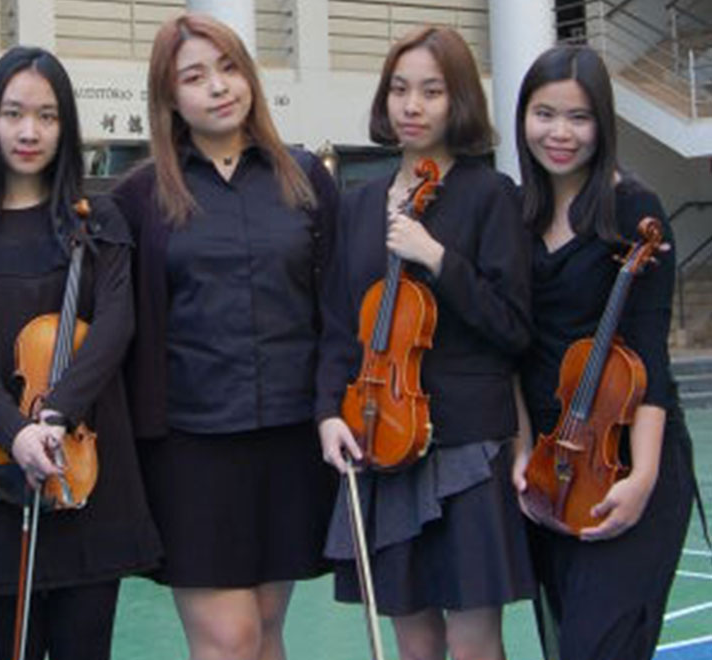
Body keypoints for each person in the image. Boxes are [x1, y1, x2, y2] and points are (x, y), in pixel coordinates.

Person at [111, 13, 338, 660]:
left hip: (291, 437)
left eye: (229, 68)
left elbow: (336, 307)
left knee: (265, 629)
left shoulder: (304, 177)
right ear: (169, 96)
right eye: (194, 76)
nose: (218, 87)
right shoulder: (139, 195)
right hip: (190, 448)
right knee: (229, 639)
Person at [316, 26, 535, 660]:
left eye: (432, 92)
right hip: (382, 434)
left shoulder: (490, 195)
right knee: (414, 643)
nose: (411, 106)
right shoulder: (359, 206)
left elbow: (513, 326)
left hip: (467, 442)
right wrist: (328, 412)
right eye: (399, 90)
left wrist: (437, 257)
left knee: (473, 643)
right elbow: (339, 326)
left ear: (458, 100)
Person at [0, 46, 161, 660]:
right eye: (13, 114)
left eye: (47, 115)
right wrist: (16, 434)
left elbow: (115, 325)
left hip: (85, 464)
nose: (29, 131)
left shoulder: (98, 217)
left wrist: (57, 415)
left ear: (66, 127)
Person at [512, 45, 698, 660]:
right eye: (544, 114)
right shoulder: (517, 216)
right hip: (550, 470)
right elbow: (510, 350)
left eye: (580, 117)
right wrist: (520, 452)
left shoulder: (635, 210)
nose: (560, 133)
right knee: (567, 640)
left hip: (624, 460)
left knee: (599, 645)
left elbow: (649, 360)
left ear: (603, 124)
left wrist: (642, 478)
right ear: (523, 116)